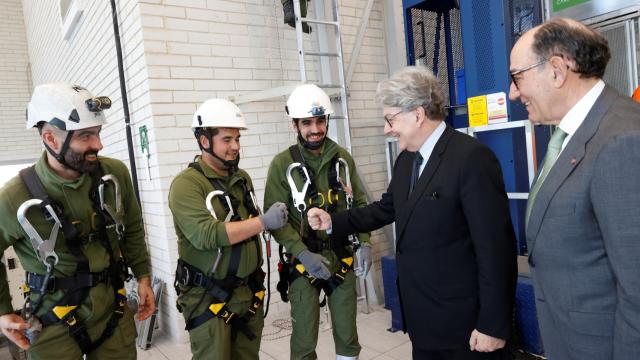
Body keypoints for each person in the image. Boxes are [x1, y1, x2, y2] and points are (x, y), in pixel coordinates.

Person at [308, 66, 517, 360]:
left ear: (418, 114)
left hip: (464, 326)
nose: (386, 129)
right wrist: (334, 222)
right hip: (423, 319)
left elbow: (495, 249)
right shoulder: (407, 159)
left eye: (390, 119)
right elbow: (387, 208)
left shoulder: (471, 158)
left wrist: (493, 325)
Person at [509, 17, 640, 359]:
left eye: (517, 77)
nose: (512, 92)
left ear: (556, 69)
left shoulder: (623, 140)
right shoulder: (570, 134)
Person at [0, 82, 155, 359]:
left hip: (113, 310)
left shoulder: (113, 175)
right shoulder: (14, 197)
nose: (98, 144)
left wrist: (143, 277)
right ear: (50, 139)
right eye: (85, 136)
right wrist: (2, 311)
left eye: (97, 133)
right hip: (52, 323)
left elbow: (131, 227)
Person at [168, 98, 288, 360]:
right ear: (204, 141)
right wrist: (263, 222)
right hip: (210, 298)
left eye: (237, 139)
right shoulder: (187, 185)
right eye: (226, 140)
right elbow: (206, 235)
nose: (235, 146)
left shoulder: (240, 178)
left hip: (248, 294)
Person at [264, 83, 371, 360]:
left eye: (320, 120)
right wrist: (302, 253)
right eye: (307, 122)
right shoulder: (281, 165)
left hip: (341, 257)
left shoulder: (342, 159)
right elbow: (276, 221)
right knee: (303, 341)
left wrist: (366, 241)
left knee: (348, 336)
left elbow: (359, 203)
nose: (315, 128)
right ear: (295, 125)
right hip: (303, 262)